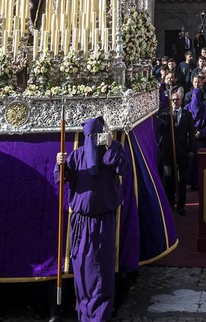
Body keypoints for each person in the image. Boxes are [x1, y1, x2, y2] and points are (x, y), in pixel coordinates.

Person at [59, 117, 127, 322]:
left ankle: (98, 317)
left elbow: (123, 167)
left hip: (102, 222)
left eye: (94, 136)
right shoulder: (77, 155)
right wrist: (61, 164)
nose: (91, 140)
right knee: (81, 272)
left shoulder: (111, 151)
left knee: (100, 273)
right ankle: (84, 313)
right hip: (81, 222)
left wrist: (108, 146)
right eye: (88, 136)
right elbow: (63, 176)